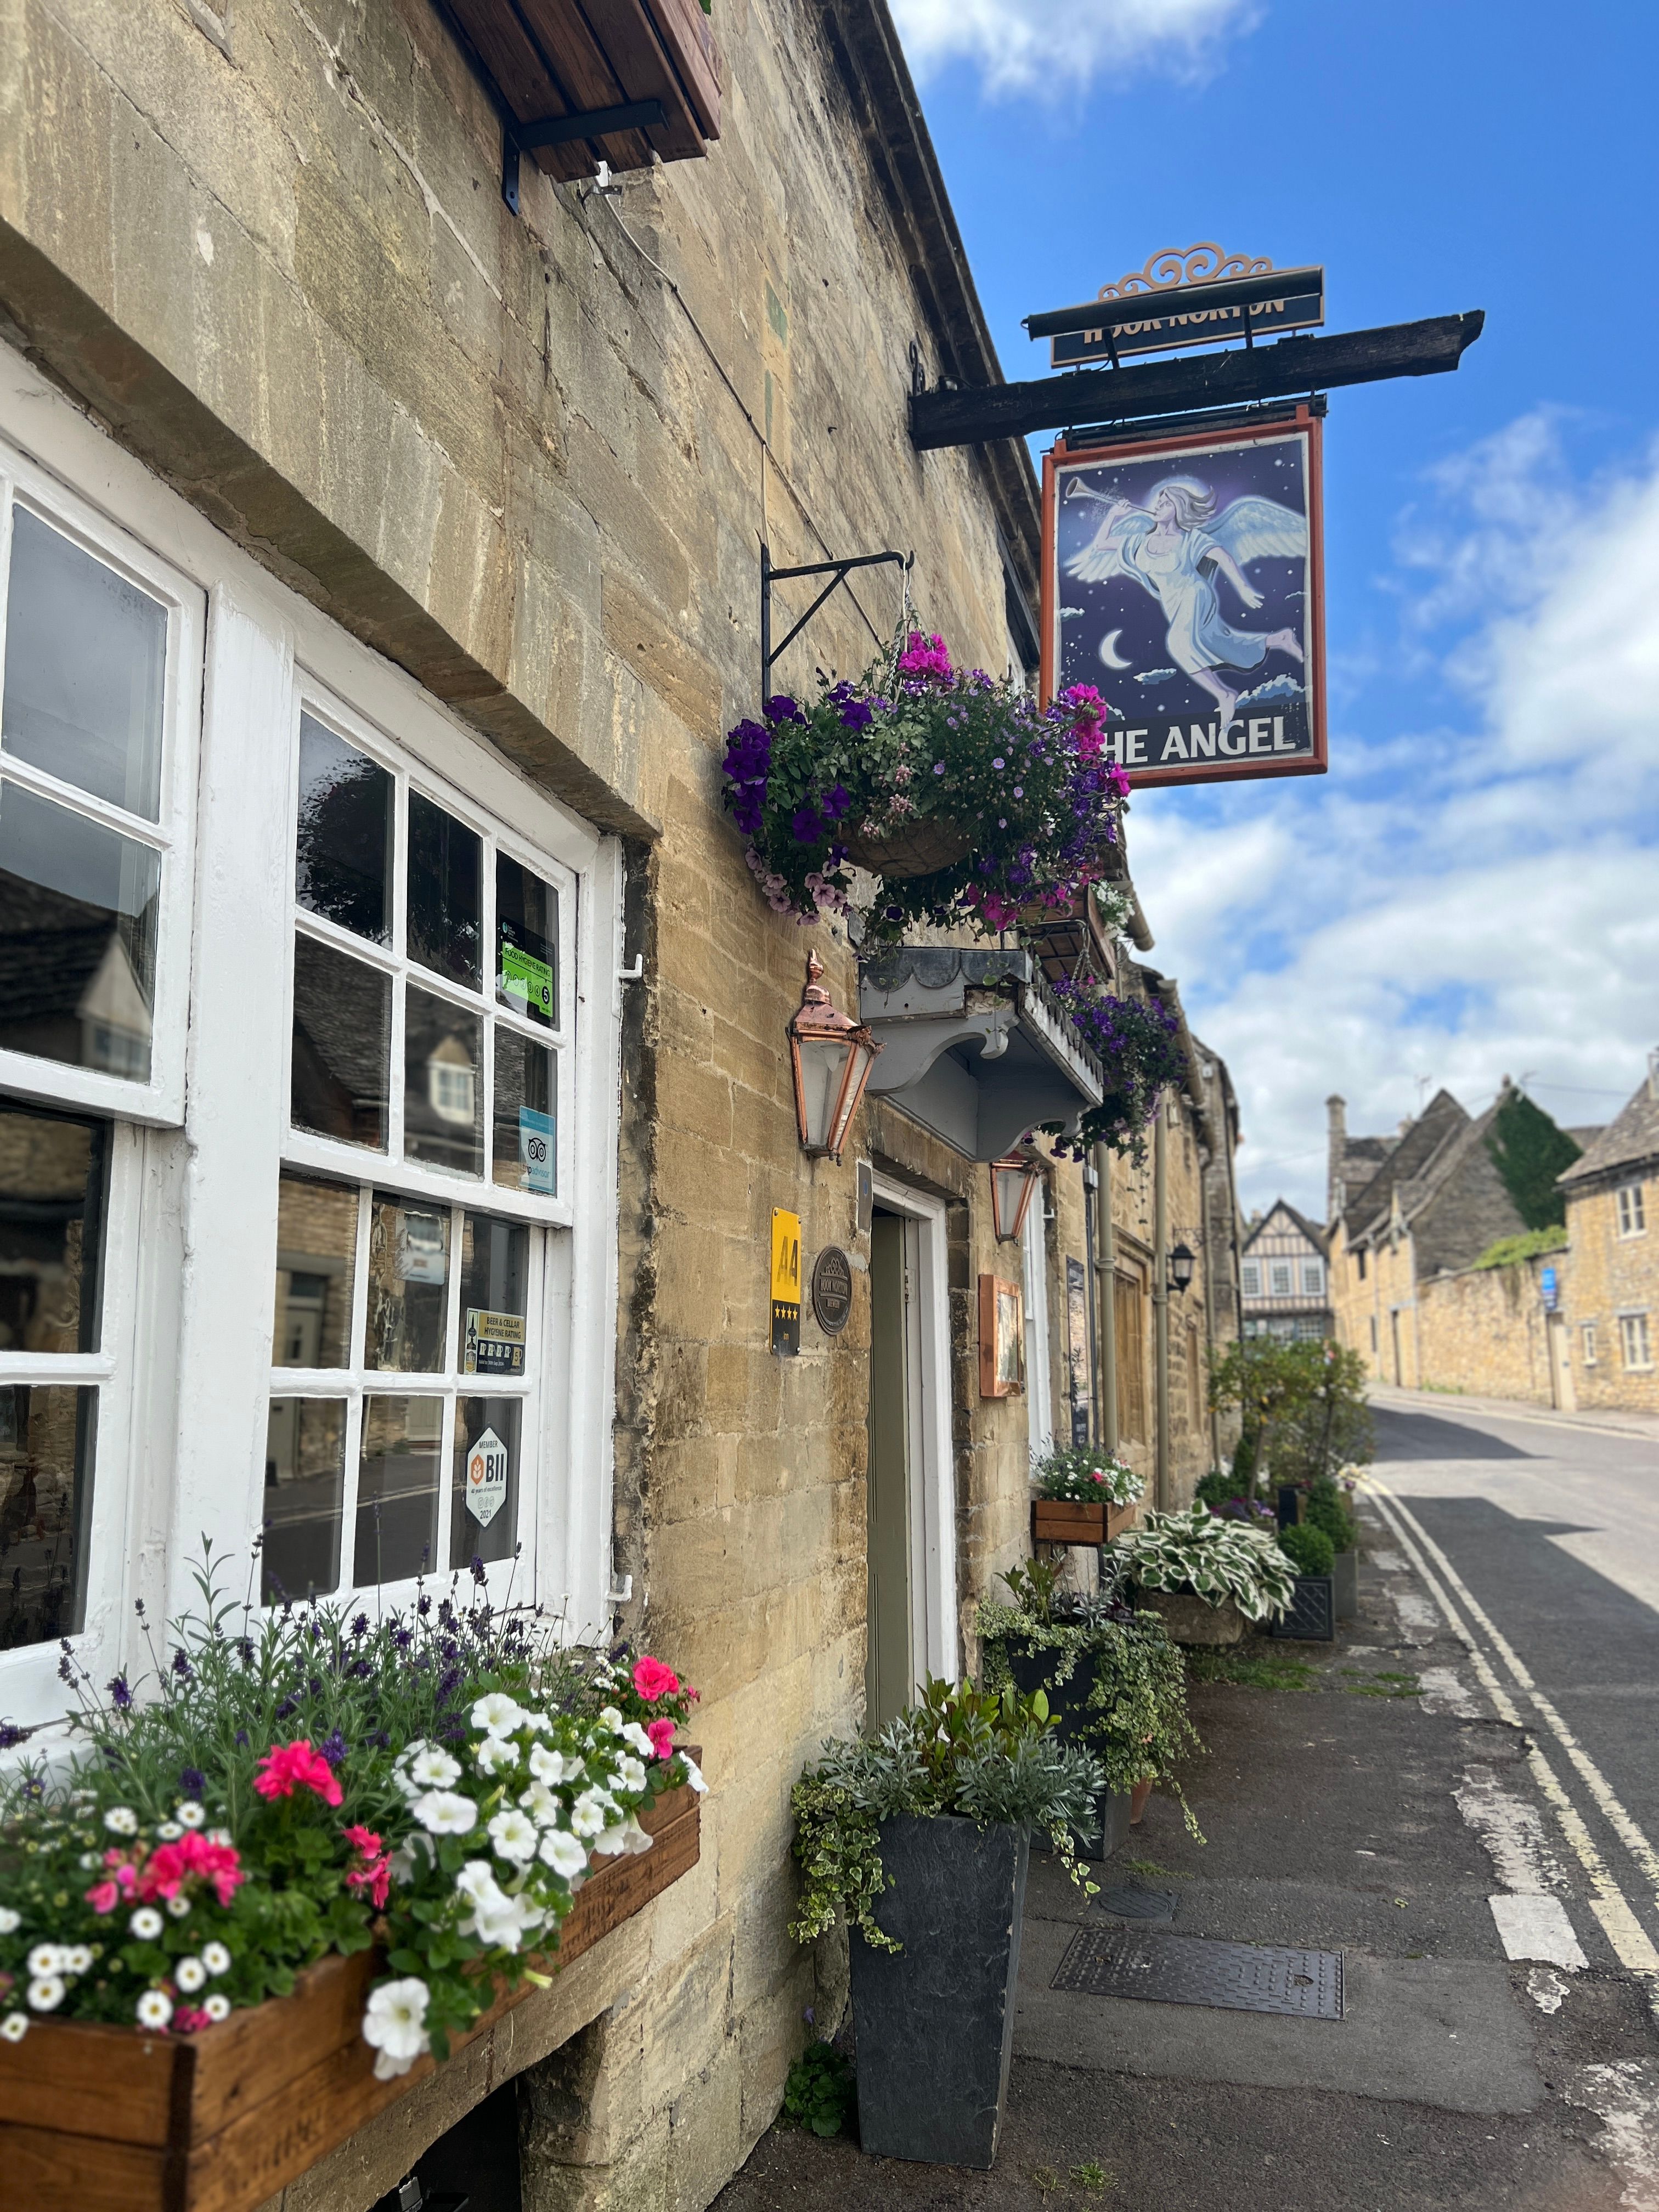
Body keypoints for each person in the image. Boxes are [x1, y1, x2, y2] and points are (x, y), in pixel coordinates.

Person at [1065, 473, 1306, 726]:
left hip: (1195, 593)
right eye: (1158, 502)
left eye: (1166, 503)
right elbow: (1102, 544)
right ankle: (1279, 639)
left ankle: (1224, 694)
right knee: (1220, 642)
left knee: (1178, 643)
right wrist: (1113, 516)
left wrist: (1243, 587)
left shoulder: (1190, 539)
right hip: (1173, 603)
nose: (1159, 506)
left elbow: (1222, 556)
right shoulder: (1139, 540)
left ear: (1179, 509)